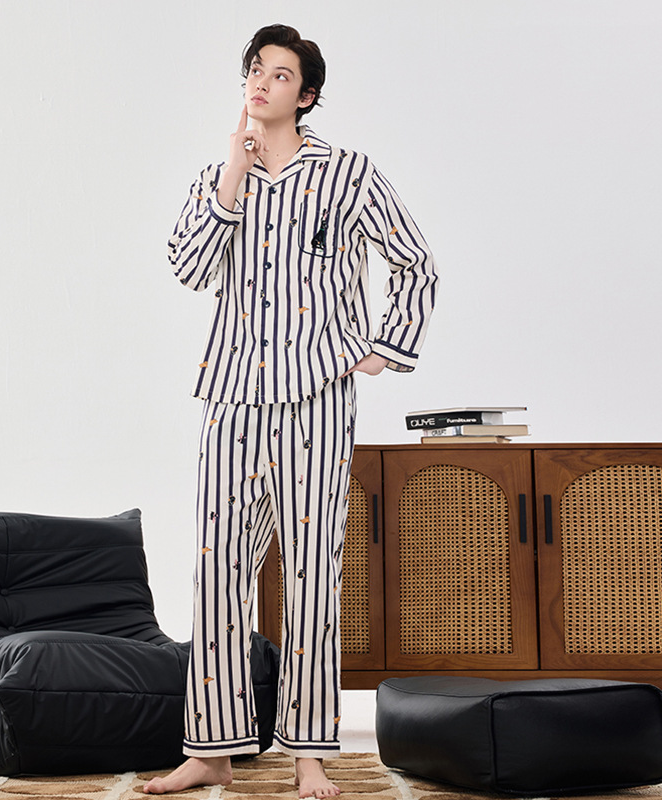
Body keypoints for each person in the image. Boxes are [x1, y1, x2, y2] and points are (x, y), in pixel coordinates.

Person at [143, 23, 438, 798]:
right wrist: (232, 176)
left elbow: (415, 261)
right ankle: (211, 749)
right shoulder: (221, 176)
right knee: (218, 571)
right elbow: (187, 266)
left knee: (311, 573)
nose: (261, 81)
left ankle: (310, 755)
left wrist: (384, 347)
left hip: (316, 397)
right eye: (255, 69)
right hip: (231, 395)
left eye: (279, 74)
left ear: (305, 95)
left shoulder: (349, 175)